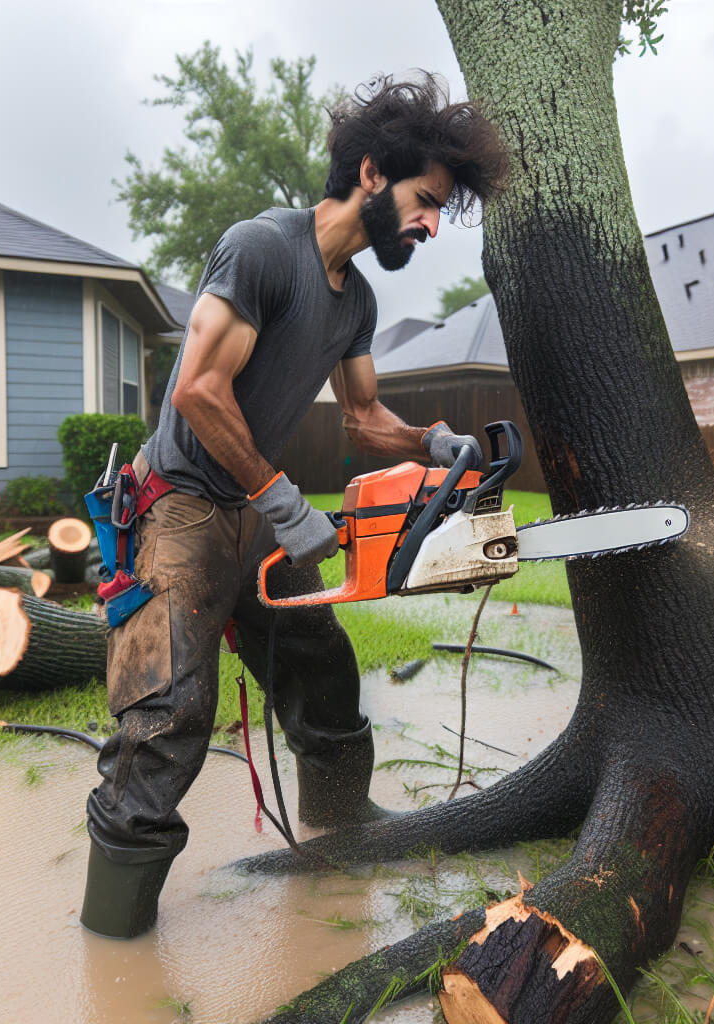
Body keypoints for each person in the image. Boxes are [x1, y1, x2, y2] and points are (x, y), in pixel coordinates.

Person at [80, 73, 508, 939]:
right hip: (183, 508)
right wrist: (280, 498)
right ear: (369, 172)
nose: (430, 225)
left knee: (322, 670)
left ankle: (337, 837)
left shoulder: (357, 298)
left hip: (252, 513)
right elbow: (199, 389)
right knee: (167, 714)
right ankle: (115, 931)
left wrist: (430, 442)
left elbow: (360, 417)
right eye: (425, 202)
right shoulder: (261, 249)